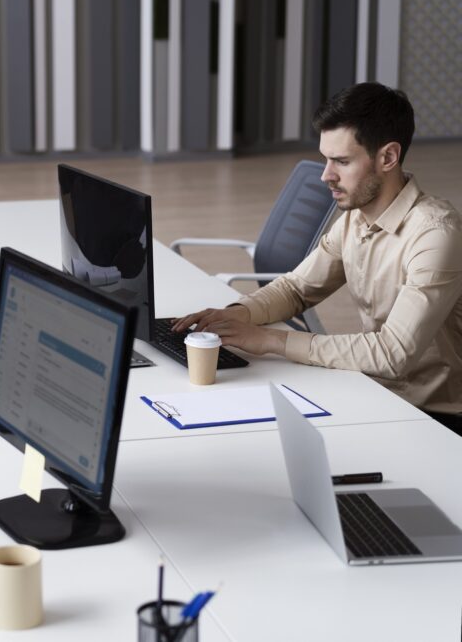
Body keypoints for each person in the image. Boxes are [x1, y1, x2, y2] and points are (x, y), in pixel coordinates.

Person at [173, 82, 462, 434]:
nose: (326, 175)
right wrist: (234, 316)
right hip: (376, 392)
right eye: (326, 159)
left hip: (436, 418)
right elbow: (297, 289)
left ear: (387, 157)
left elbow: (392, 353)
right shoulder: (357, 217)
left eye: (341, 161)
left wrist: (270, 341)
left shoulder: (436, 235)